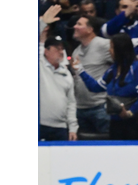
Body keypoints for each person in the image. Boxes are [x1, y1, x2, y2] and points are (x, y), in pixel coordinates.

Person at [73, 33, 138, 140]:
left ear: (120, 49)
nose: (109, 50)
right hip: (115, 123)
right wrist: (81, 70)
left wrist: (129, 113)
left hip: (135, 124)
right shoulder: (112, 70)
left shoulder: (136, 69)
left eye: (112, 47)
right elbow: (95, 87)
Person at [39, 6, 78, 141]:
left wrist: (72, 127)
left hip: (60, 127)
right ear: (46, 51)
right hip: (40, 125)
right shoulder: (40, 67)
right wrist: (42, 24)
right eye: (57, 48)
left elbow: (71, 103)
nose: (61, 52)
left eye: (62, 49)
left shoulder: (66, 74)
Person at [71, 14, 113, 136]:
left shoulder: (104, 45)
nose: (75, 26)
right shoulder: (76, 52)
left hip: (100, 107)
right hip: (80, 108)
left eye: (79, 24)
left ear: (90, 29)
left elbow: (122, 62)